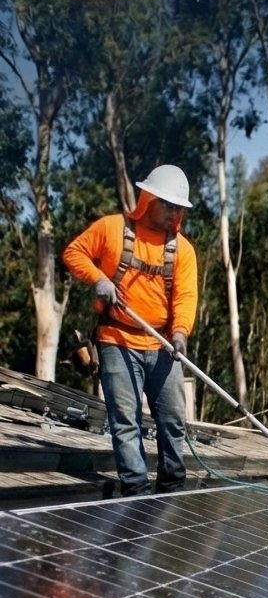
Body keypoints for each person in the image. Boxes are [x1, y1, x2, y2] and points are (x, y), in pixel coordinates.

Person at [63, 165, 198, 496]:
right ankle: (137, 493)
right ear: (148, 199)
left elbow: (185, 296)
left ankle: (171, 489)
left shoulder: (182, 250)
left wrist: (180, 333)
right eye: (168, 204)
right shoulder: (111, 229)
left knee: (172, 422)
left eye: (179, 207)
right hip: (117, 340)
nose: (174, 212)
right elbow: (73, 253)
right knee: (126, 420)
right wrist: (99, 279)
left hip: (163, 345)